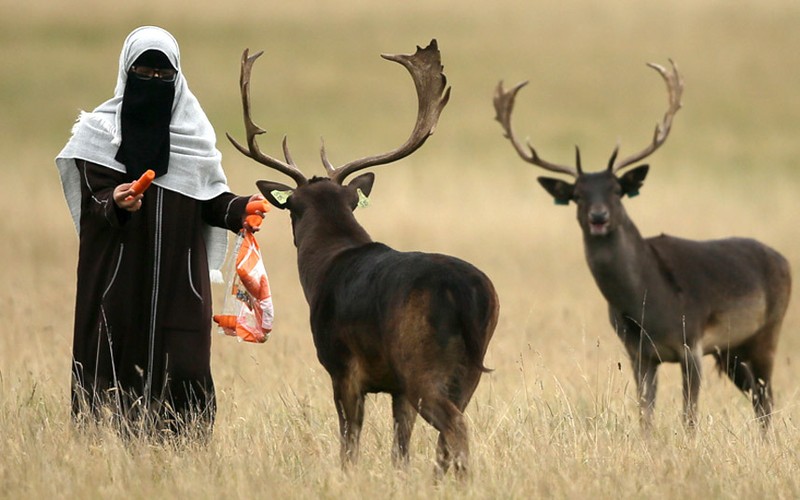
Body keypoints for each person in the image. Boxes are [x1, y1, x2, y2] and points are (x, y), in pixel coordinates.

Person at [56, 26, 264, 437]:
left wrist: (240, 208)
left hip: (180, 284)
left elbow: (208, 198)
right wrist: (116, 201)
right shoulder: (97, 136)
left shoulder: (194, 137)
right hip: (115, 283)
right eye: (143, 73)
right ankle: (104, 456)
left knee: (185, 368)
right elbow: (92, 201)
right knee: (109, 364)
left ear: (177, 77)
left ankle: (184, 456)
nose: (152, 82)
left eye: (162, 76)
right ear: (125, 71)